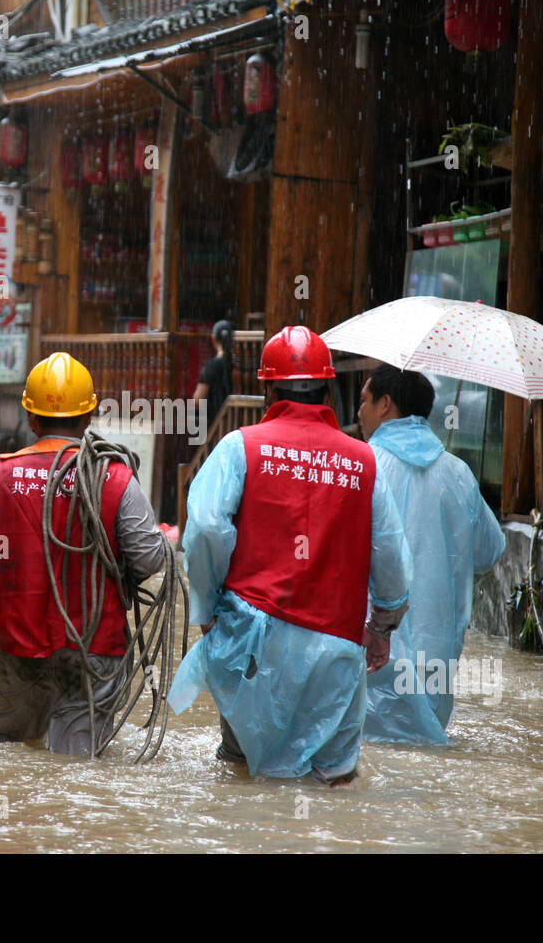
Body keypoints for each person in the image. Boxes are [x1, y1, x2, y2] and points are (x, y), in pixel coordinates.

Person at [168, 326, 413, 785]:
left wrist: (207, 609)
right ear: (328, 389)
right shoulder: (366, 461)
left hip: (251, 648)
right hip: (336, 651)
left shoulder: (240, 447)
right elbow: (393, 559)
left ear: (267, 388)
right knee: (333, 784)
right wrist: (381, 628)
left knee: (241, 778)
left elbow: (203, 528)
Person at [0, 352, 165, 756]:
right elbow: (147, 560)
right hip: (95, 647)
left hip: (18, 646)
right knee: (76, 768)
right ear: (90, 416)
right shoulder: (117, 477)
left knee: (9, 754)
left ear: (31, 419)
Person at [357, 363, 506, 745]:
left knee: (367, 764)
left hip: (372, 647)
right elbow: (490, 551)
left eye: (364, 401)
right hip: (437, 655)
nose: (359, 412)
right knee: (425, 759)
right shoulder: (458, 472)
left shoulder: (363, 466)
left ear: (385, 405)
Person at [192, 319, 234, 429]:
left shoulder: (212, 365)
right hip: (235, 422)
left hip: (215, 422)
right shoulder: (240, 365)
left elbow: (198, 399)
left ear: (214, 339)